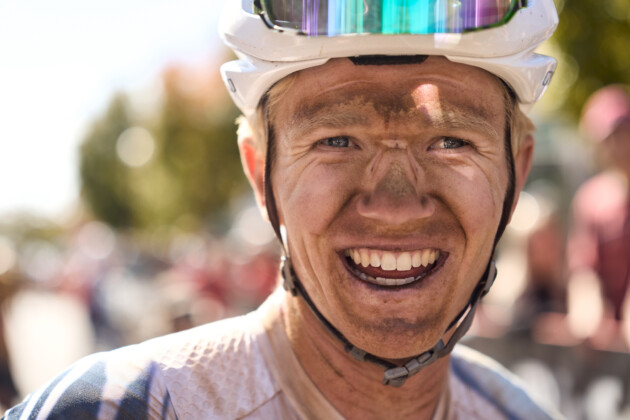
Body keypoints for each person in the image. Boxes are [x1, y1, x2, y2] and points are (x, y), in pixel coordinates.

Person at [3, 0, 562, 418]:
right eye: (337, 141)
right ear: (259, 173)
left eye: (451, 142)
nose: (395, 206)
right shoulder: (117, 408)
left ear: (516, 176)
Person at [566, 85, 630, 348]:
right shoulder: (592, 199)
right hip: (609, 342)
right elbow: (585, 269)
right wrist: (588, 314)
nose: (615, 147)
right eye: (606, 140)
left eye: (621, 135)